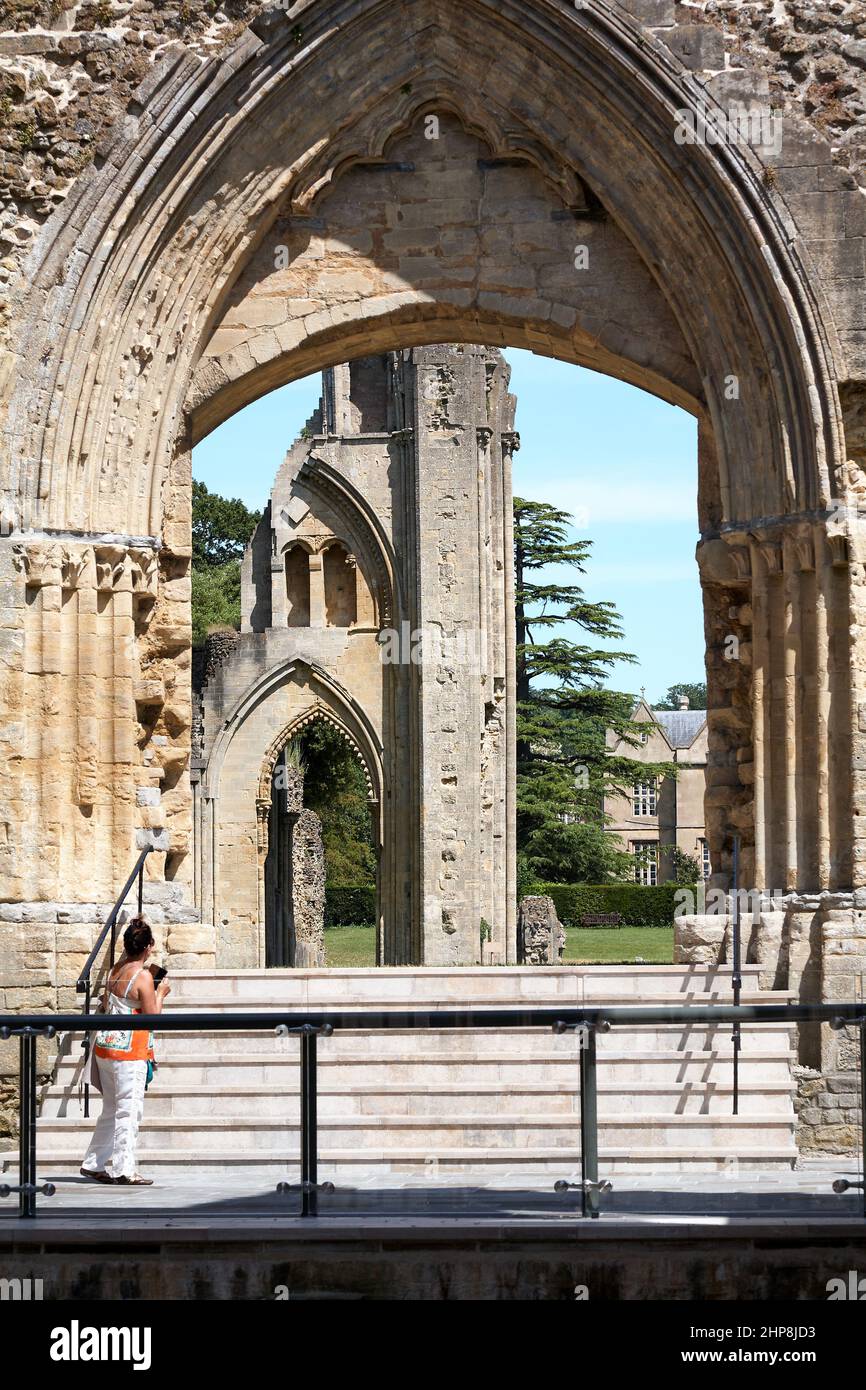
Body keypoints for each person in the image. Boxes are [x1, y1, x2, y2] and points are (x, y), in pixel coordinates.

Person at [80, 915, 171, 1186]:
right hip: (130, 1050)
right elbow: (152, 1016)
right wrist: (161, 993)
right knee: (129, 1110)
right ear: (149, 946)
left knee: (110, 1108)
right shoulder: (143, 976)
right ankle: (124, 1169)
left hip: (106, 1047)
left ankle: (94, 1162)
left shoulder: (115, 970)